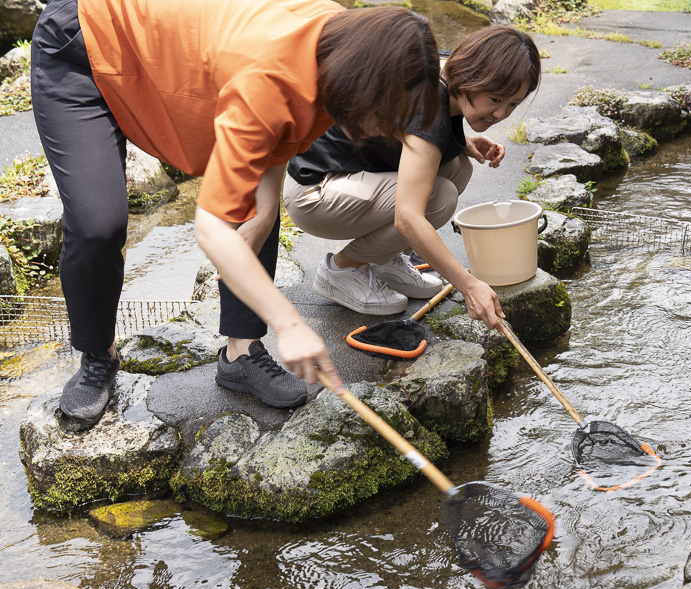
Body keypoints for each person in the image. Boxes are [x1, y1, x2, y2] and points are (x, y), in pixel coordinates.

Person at [31, 0, 441, 425]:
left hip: (171, 57)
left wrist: (265, 210)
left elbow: (280, 133)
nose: (383, 131)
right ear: (360, 83)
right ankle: (98, 353)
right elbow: (209, 227)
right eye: (383, 116)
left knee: (252, 211)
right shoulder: (269, 75)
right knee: (98, 225)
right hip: (84, 41)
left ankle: (241, 351)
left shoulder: (342, 47)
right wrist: (290, 324)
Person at [282, 25, 540, 330]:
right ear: (473, 75)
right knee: (438, 197)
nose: (501, 114)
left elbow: (409, 133)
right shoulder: (429, 107)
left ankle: (385, 259)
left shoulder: (446, 72)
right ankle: (341, 271)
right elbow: (408, 217)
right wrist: (468, 285)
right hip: (316, 191)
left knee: (458, 166)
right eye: (495, 99)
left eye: (513, 104)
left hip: (353, 175)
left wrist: (460, 141)